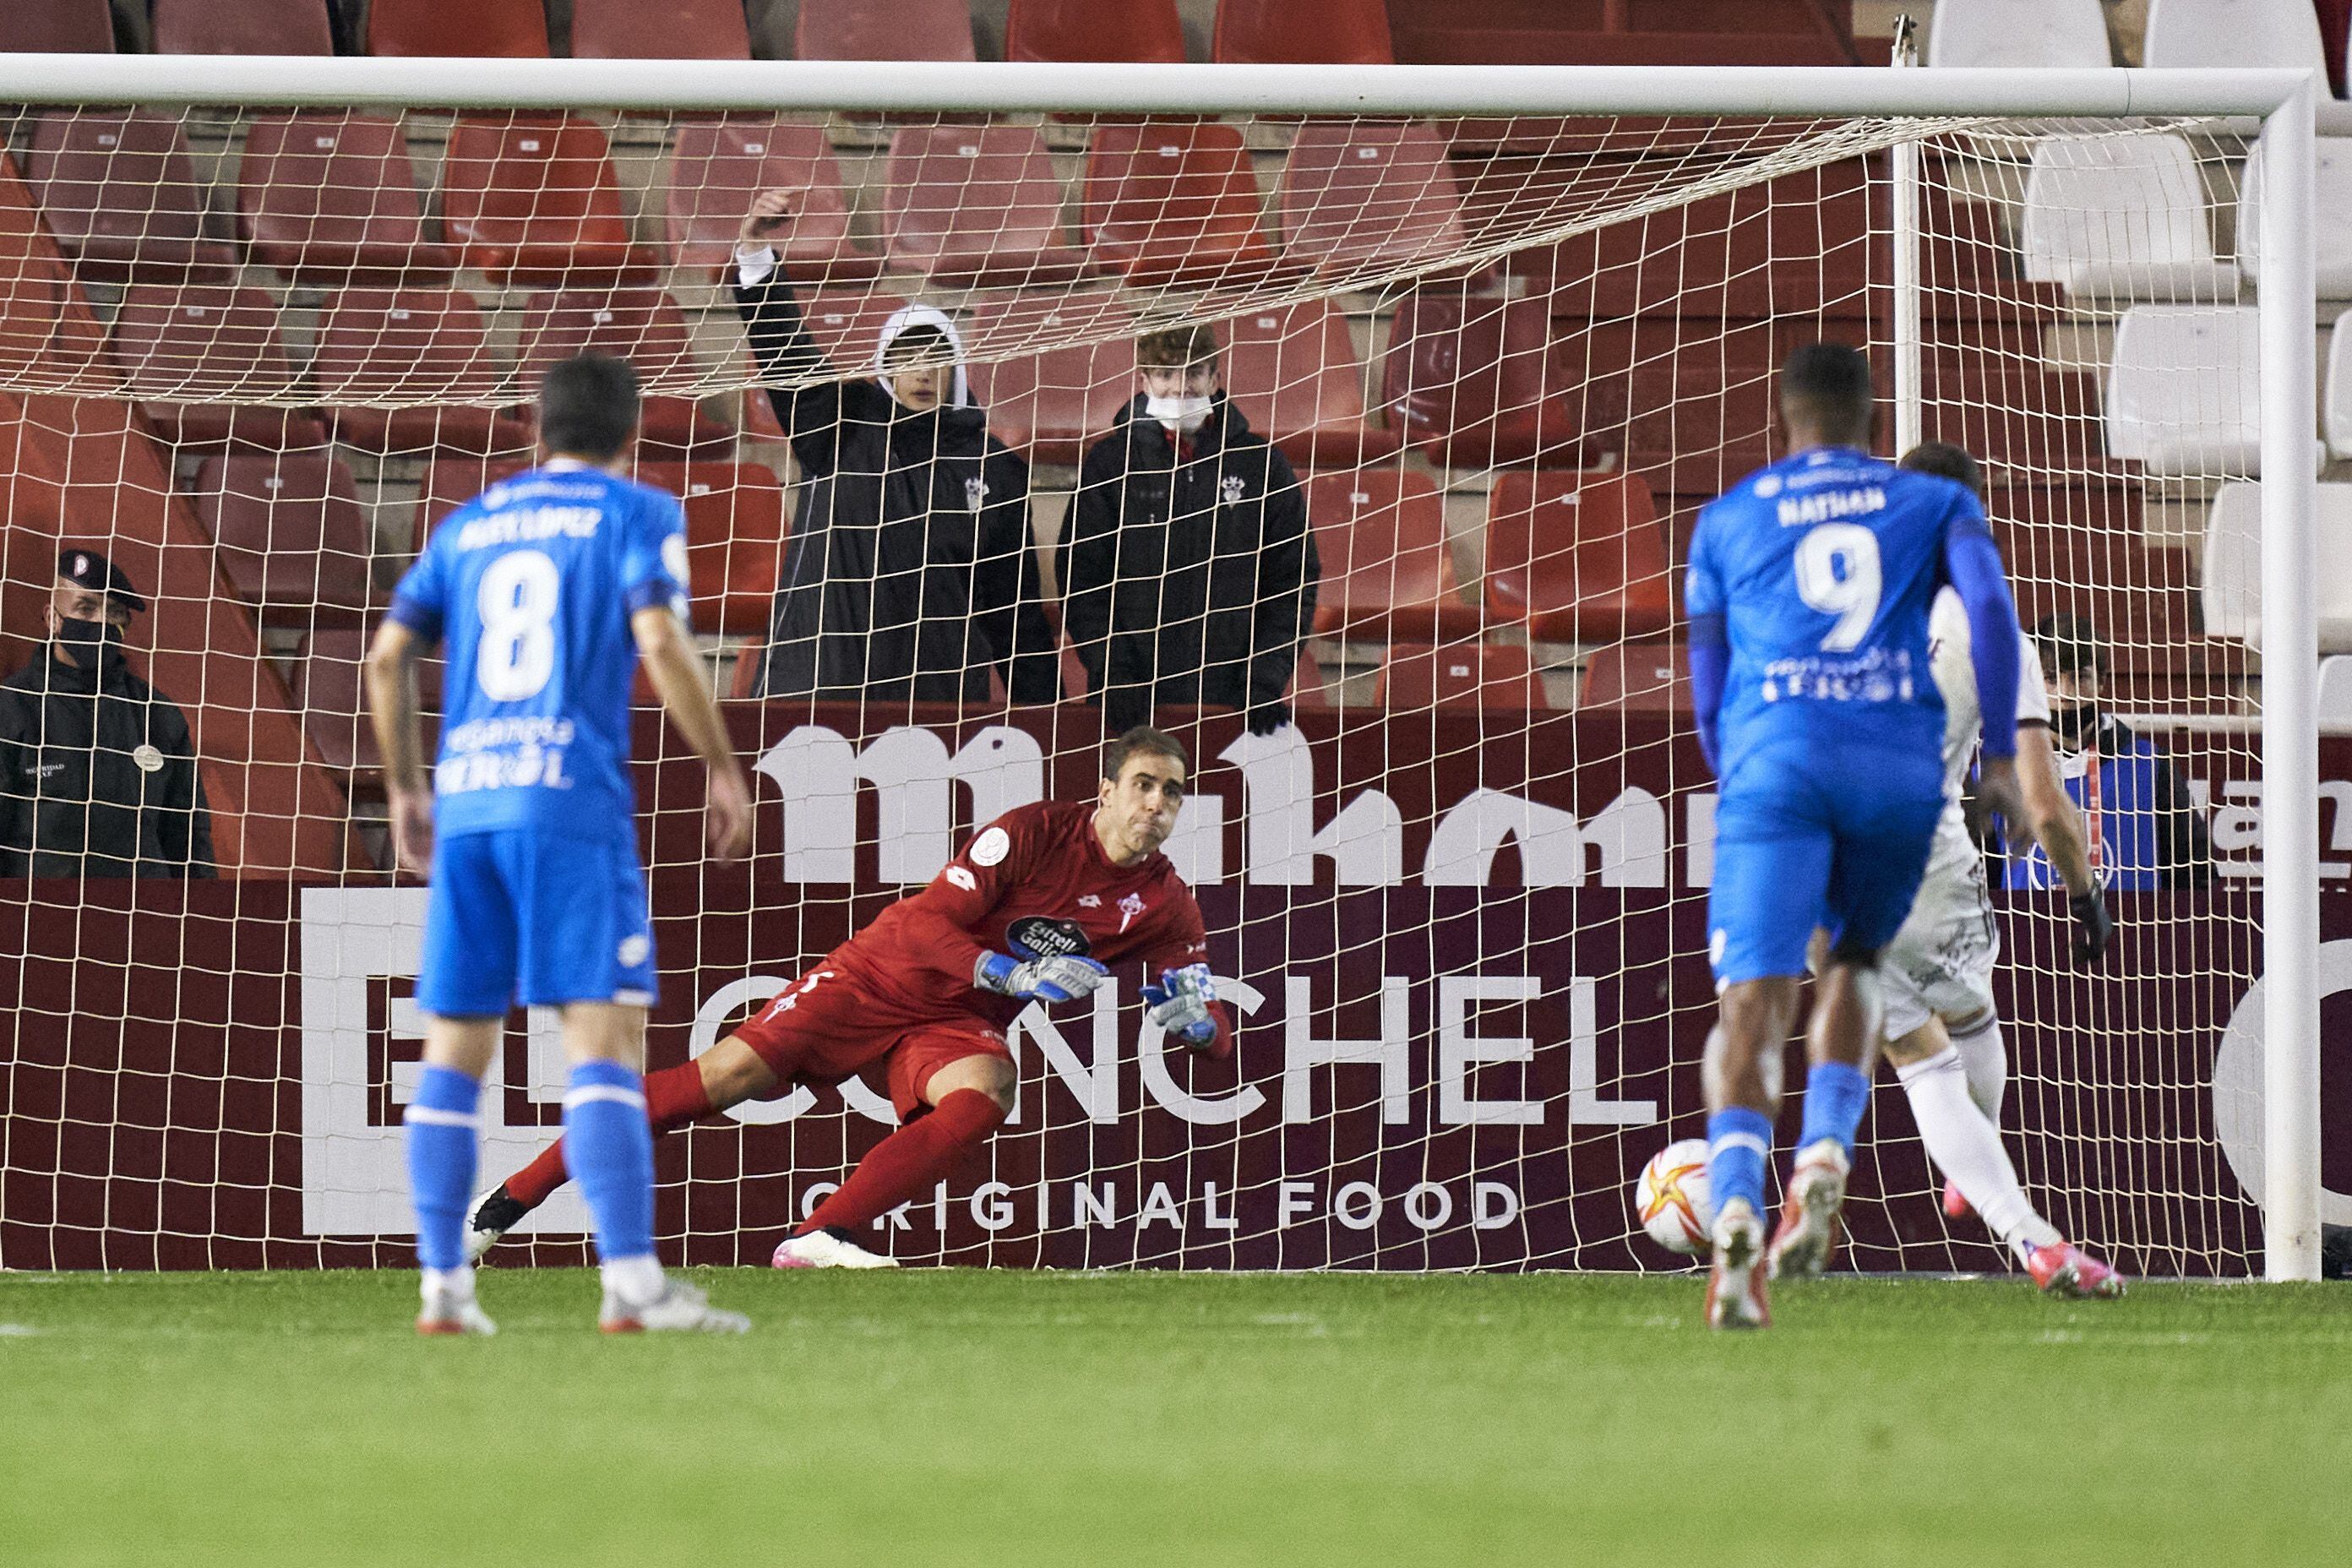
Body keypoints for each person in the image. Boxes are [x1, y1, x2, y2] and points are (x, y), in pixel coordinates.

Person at [464, 726, 1231, 1269]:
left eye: (1172, 793)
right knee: (720, 1082)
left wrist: (1197, 1029)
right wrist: (1012, 974)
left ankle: (822, 1235)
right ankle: (508, 1201)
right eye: (1143, 785)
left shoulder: (1165, 904)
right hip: (879, 976)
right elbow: (929, 924)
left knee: (990, 1085)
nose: (1157, 804)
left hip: (955, 1019)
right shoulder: (1028, 833)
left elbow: (1205, 1018)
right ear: (1105, 791)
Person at [368, 352, 754, 1337]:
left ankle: (444, 1286)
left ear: (535, 429)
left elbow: (385, 657)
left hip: (470, 803)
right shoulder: (637, 512)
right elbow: (662, 643)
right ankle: (631, 1283)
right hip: (568, 807)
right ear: (630, 436)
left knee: (455, 1047)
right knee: (603, 1045)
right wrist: (720, 762)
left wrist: (409, 787)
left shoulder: (472, 522)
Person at [1684, 343, 2025, 1331]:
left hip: (1777, 764)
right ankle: (1826, 1149)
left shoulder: (1729, 516)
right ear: (1877, 424)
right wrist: (1996, 753)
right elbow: (1992, 608)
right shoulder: (1929, 499)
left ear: (1781, 425)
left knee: (1753, 999)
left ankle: (1741, 1197)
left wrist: (1744, 775)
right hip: (1895, 768)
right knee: (1859, 965)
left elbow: (1710, 690)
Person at [1877, 442, 2123, 1299]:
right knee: (1966, 1018)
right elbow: (2045, 802)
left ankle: (2005, 1204)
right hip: (1924, 844)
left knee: (1918, 1045)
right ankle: (2002, 1196)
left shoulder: (1832, 605)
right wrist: (2087, 894)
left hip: (1817, 839)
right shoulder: (1993, 627)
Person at [733, 187, 1059, 704]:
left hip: (938, 704)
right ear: (886, 365)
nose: (923, 372)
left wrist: (1049, 717)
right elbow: (788, 355)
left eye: (936, 357)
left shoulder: (994, 465)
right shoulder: (840, 424)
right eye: (908, 358)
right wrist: (755, 260)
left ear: (957, 367)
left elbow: (1012, 612)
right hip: (818, 691)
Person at [1061, 323, 1320, 735]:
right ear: (1144, 381)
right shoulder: (1109, 464)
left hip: (1234, 700)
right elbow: (1082, 579)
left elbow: (1293, 579)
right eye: (1166, 375)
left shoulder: (1262, 464)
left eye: (1194, 373)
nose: (1181, 388)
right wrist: (1113, 670)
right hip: (1131, 700)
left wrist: (1266, 674)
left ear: (1215, 379)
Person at [0, 549, 213, 878]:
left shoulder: (157, 713)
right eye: (85, 608)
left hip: (144, 915)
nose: (100, 622)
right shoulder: (12, 707)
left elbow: (189, 836)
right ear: (53, 617)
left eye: (113, 612)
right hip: (43, 917)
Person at [2004, 612, 2212, 890]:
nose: (2067, 693)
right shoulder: (1998, 771)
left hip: (2133, 932)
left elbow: (2198, 880)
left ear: (2102, 682)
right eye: (2051, 678)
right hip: (2027, 932)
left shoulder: (2151, 767)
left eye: (2081, 678)